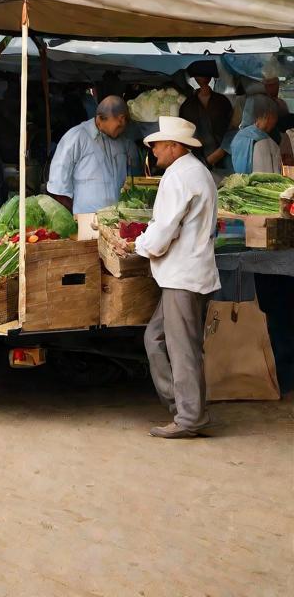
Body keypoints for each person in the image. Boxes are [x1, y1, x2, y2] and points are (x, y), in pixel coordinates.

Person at [132, 117, 220, 438]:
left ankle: (189, 417)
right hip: (189, 272)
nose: (153, 150)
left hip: (183, 275)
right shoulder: (196, 171)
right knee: (155, 338)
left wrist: (139, 245)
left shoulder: (180, 175)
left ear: (174, 146)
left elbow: (163, 232)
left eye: (157, 144)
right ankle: (181, 405)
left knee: (181, 347)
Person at [46, 96, 137, 215]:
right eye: (118, 125)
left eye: (124, 124)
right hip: (86, 221)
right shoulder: (76, 137)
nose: (122, 129)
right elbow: (58, 188)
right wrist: (74, 220)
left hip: (118, 222)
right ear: (100, 119)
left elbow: (133, 180)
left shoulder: (124, 141)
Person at [178, 63, 232, 166]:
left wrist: (222, 150)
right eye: (199, 75)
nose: (203, 78)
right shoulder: (187, 104)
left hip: (223, 155)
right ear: (194, 77)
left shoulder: (222, 101)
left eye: (206, 75)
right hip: (196, 155)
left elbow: (231, 127)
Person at [230, 95, 281, 175]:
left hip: (240, 183)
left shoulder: (238, 136)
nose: (274, 123)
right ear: (267, 115)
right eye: (275, 117)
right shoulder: (264, 142)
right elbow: (267, 176)